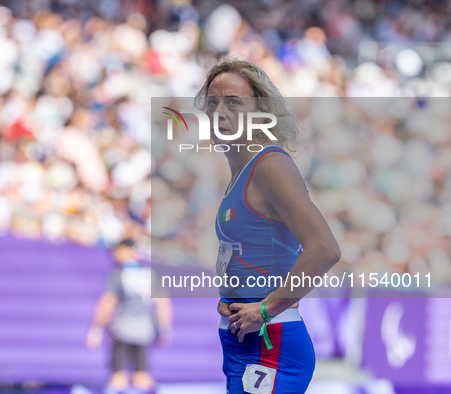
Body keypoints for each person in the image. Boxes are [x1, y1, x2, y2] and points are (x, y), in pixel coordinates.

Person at [199, 58, 341, 393]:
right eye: (213, 101)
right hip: (243, 341)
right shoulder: (243, 168)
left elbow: (325, 249)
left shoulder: (269, 164)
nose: (220, 110)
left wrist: (264, 309)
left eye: (233, 101)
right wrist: (231, 298)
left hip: (270, 341)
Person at [86, 239, 172, 393]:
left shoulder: (118, 274)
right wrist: (165, 328)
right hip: (145, 332)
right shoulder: (149, 274)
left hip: (122, 331)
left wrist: (96, 330)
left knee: (118, 377)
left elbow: (107, 302)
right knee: (142, 376)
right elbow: (162, 302)